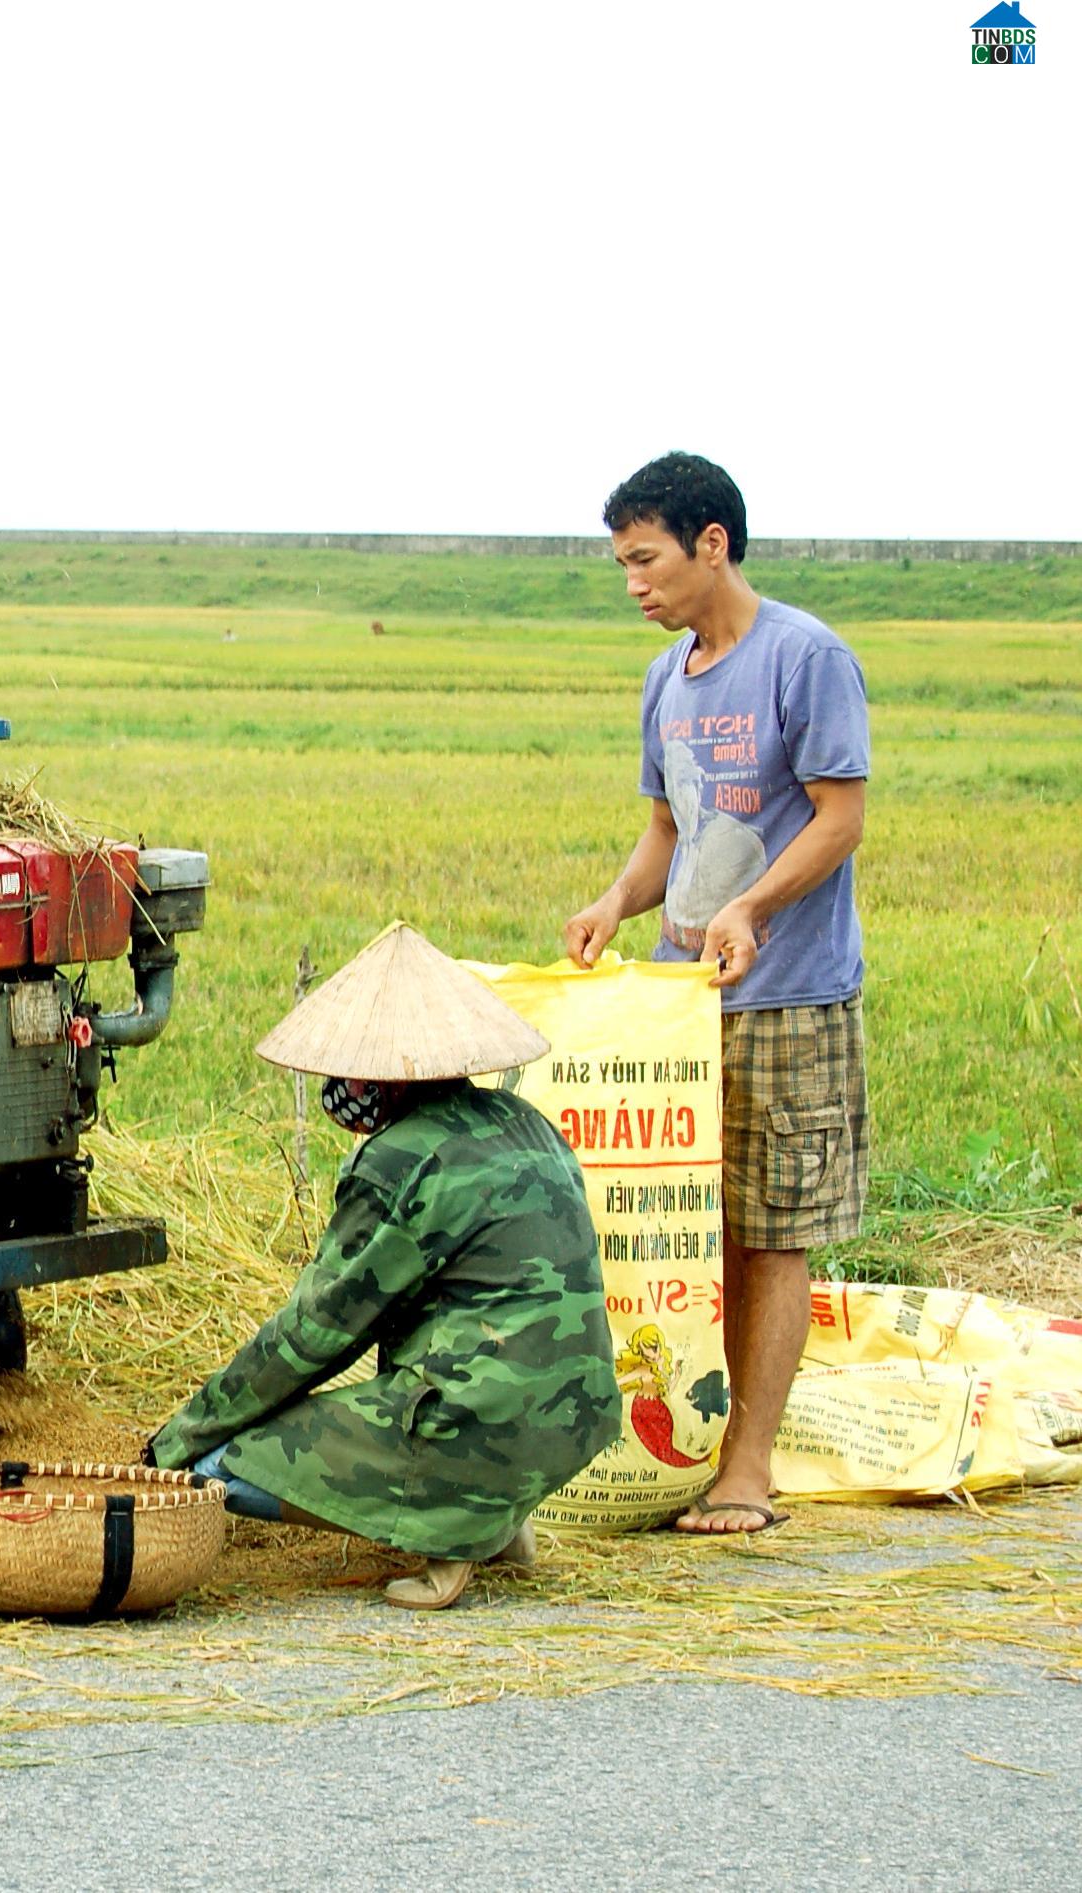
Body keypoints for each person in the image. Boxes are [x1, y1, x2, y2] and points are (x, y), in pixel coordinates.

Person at [563, 451, 870, 1537]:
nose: (634, 584)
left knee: (771, 1231)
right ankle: (683, 1438)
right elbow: (668, 833)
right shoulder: (668, 680)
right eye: (621, 566)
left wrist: (753, 910)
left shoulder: (805, 658)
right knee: (696, 1233)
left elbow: (838, 818)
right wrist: (613, 905)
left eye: (646, 560)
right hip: (680, 1003)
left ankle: (748, 1467)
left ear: (712, 544)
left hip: (787, 995)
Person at [147, 923, 618, 1610]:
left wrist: (181, 1437)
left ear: (387, 1076)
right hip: (580, 1415)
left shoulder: (401, 1158)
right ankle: (497, 1516)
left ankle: (453, 1540)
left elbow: (316, 1333)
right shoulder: (527, 1122)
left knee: (217, 1469)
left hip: (478, 1423)